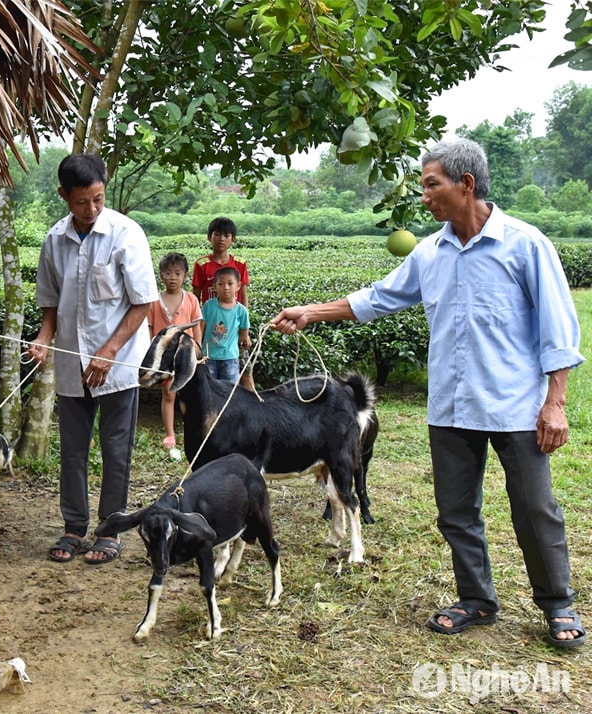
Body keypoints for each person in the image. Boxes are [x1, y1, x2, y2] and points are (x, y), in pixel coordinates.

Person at [270, 138, 583, 649]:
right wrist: (312, 311)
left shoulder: (525, 245)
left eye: (431, 185)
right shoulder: (430, 253)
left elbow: (559, 330)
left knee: (534, 507)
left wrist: (555, 402)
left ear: (465, 184)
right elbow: (379, 297)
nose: (424, 196)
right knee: (456, 509)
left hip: (514, 407)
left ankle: (557, 603)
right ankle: (476, 598)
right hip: (451, 406)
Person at [29, 153, 157, 566]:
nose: (91, 210)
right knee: (73, 448)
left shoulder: (126, 234)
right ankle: (73, 526)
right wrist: (44, 338)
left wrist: (108, 352)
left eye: (98, 199)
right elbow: (51, 303)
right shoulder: (55, 239)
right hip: (71, 361)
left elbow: (142, 303)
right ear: (64, 196)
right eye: (82, 202)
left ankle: (112, 528)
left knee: (116, 447)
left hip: (116, 363)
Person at [146, 252, 203, 457]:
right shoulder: (154, 301)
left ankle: (193, 431)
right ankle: (170, 434)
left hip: (186, 356)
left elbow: (196, 326)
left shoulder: (191, 299)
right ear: (161, 275)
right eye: (168, 273)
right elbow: (150, 331)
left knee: (189, 395)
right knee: (169, 394)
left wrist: (198, 350)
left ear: (185, 275)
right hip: (165, 359)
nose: (172, 277)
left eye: (177, 273)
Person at [193, 217, 257, 389]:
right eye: (217, 234)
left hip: (232, 323)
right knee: (207, 371)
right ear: (209, 237)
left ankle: (253, 405)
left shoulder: (240, 264)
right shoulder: (201, 264)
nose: (221, 239)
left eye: (226, 235)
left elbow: (243, 296)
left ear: (232, 239)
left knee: (242, 369)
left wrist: (245, 328)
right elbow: (195, 298)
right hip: (209, 322)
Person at [201, 269, 252, 384]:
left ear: (238, 286)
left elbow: (244, 334)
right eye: (221, 284)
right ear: (214, 287)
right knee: (210, 389)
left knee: (229, 390)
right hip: (208, 357)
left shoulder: (241, 311)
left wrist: (245, 341)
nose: (226, 287)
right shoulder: (209, 306)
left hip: (230, 358)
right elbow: (200, 328)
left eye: (230, 283)